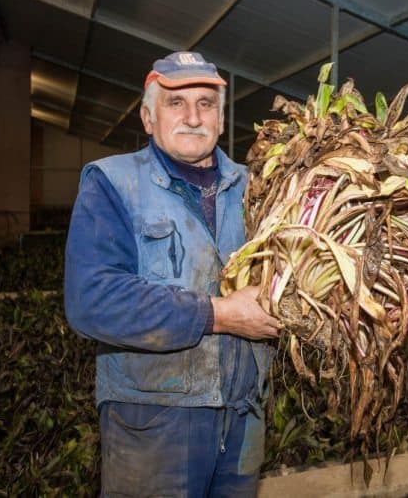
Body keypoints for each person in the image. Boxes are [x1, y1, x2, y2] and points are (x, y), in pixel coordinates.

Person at [65, 51, 280, 497]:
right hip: (153, 423)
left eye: (205, 104)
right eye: (175, 103)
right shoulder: (112, 183)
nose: (192, 117)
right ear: (147, 117)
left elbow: (294, 282)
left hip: (244, 416)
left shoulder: (259, 188)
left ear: (221, 120)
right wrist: (217, 315)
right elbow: (92, 300)